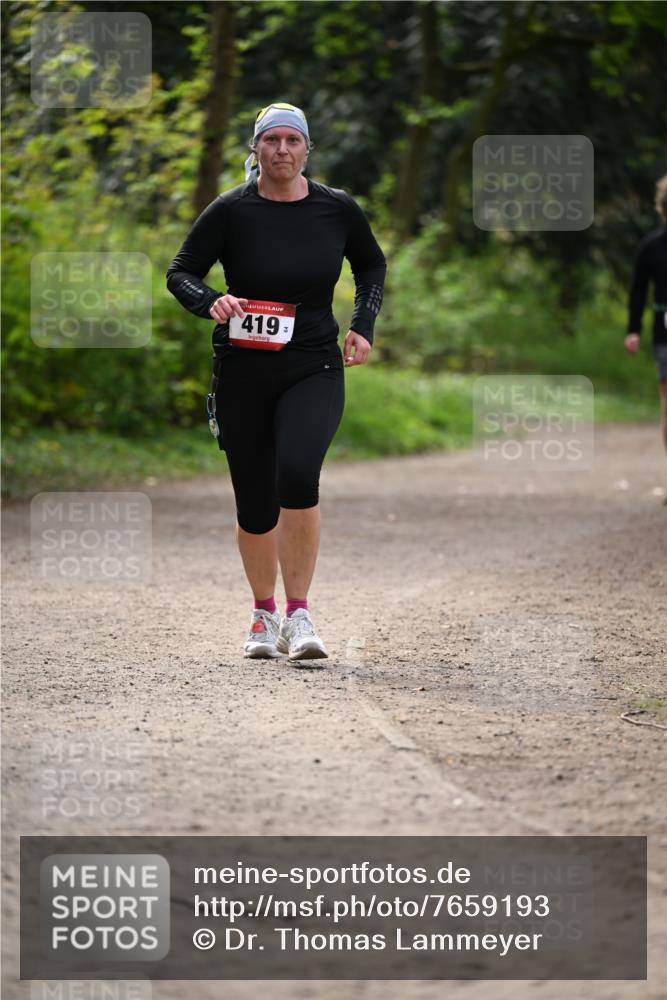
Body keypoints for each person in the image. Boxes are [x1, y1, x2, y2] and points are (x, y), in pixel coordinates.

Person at [166, 102, 386, 659]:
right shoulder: (231, 210)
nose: (282, 150)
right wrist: (212, 301)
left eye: (293, 141)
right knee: (255, 501)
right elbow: (180, 272)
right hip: (242, 369)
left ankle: (300, 615)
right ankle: (263, 616)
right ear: (256, 148)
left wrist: (362, 325)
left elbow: (371, 266)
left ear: (307, 149)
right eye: (272, 141)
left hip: (313, 363)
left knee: (297, 474)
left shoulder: (336, 209)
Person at [625, 173, 667, 453]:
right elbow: (638, 290)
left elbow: (638, 291)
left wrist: (634, 330)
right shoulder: (651, 247)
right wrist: (633, 329)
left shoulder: (650, 246)